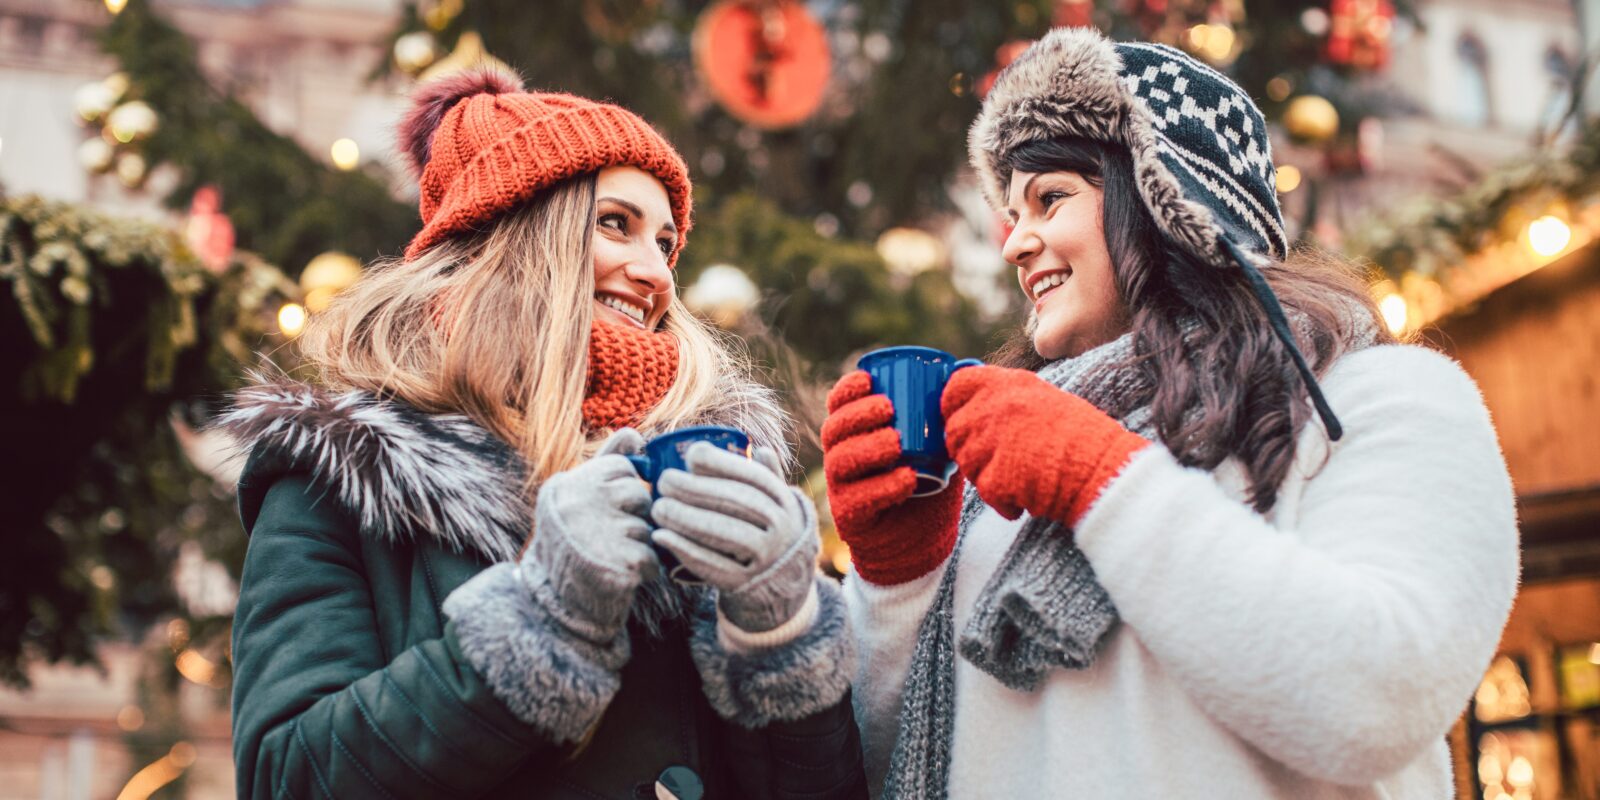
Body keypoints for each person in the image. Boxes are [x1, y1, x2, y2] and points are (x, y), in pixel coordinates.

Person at [822, 27, 1518, 799]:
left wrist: (1102, 481)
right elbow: (901, 762)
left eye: (1050, 197)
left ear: (1166, 200)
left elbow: (1376, 699)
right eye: (1010, 214)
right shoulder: (1003, 477)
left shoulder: (1382, 399)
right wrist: (898, 580)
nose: (1017, 242)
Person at [221, 68, 864, 799]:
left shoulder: (708, 471)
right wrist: (541, 619)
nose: (655, 272)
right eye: (615, 223)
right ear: (517, 239)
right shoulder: (345, 478)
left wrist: (781, 634)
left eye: (667, 242)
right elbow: (288, 777)